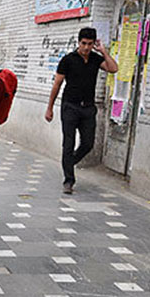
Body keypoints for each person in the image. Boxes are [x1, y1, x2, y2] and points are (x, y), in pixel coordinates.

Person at [45, 27, 118, 194]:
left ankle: (69, 162)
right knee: (68, 143)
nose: (86, 47)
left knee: (88, 143)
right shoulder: (68, 60)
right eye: (83, 43)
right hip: (70, 106)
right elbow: (57, 84)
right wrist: (49, 108)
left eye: (90, 44)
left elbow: (113, 68)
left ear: (94, 44)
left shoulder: (95, 59)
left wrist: (104, 52)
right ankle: (69, 180)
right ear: (79, 42)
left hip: (88, 109)